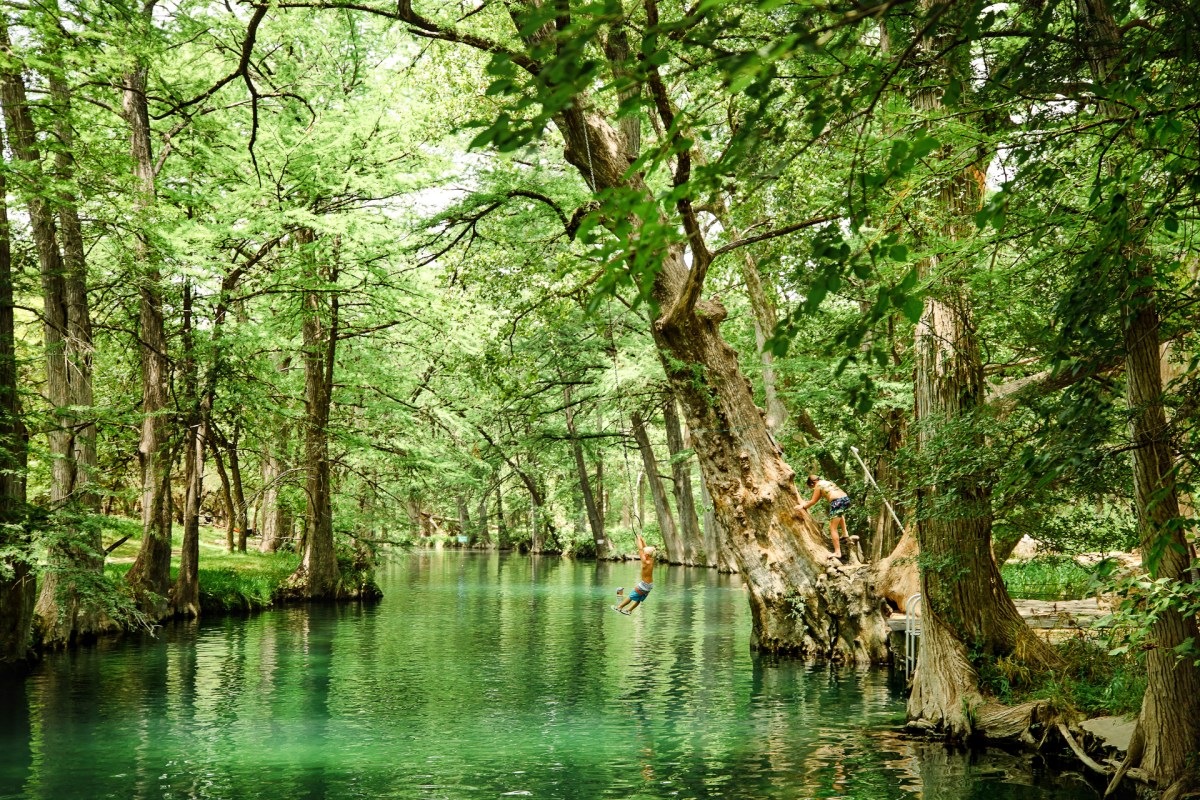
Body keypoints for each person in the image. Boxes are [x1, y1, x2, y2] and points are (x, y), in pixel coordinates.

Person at [796, 474, 851, 560]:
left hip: (837, 501)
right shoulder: (828, 482)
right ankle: (845, 533)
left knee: (833, 528)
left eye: (812, 486)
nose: (813, 488)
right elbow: (815, 499)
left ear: (813, 482)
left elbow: (813, 501)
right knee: (840, 514)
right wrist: (806, 503)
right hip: (845, 499)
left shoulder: (818, 485)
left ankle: (837, 552)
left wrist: (803, 507)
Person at [612, 532, 656, 615]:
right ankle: (629, 610)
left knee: (631, 596)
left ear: (646, 555)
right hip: (650, 585)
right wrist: (641, 539)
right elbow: (645, 548)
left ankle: (619, 607)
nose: (643, 553)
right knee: (638, 599)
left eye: (644, 553)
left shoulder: (645, 561)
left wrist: (638, 539)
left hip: (644, 585)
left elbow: (640, 549)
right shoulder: (651, 560)